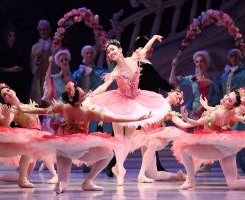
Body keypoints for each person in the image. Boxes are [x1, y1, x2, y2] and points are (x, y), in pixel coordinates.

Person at [17, 81, 152, 193]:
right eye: (83, 93)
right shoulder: (87, 112)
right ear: (77, 100)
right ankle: (87, 181)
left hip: (64, 147)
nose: (86, 93)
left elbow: (42, 111)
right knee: (109, 154)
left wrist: (22, 109)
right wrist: (136, 118)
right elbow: (115, 118)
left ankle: (63, 184)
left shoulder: (64, 108)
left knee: (63, 182)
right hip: (80, 149)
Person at [83, 35, 171, 185]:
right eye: (108, 52)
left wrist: (155, 37)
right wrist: (93, 93)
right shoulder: (115, 71)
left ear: (120, 49)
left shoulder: (134, 59)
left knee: (129, 139)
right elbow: (104, 86)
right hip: (119, 102)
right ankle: (120, 171)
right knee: (119, 137)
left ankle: (119, 167)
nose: (110, 52)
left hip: (136, 100)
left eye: (112, 49)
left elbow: (145, 48)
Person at [172, 90, 245, 191]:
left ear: (232, 105)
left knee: (185, 150)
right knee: (233, 182)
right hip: (227, 147)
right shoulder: (227, 110)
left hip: (219, 146)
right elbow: (216, 110)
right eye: (227, 95)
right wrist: (206, 105)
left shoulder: (218, 114)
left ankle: (190, 180)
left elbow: (197, 122)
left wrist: (186, 118)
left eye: (229, 100)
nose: (225, 98)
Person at [0, 83, 58, 184]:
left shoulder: (26, 105)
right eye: (5, 95)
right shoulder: (13, 109)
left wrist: (55, 109)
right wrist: (7, 117)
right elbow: (7, 123)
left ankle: (54, 175)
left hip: (38, 133)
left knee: (26, 174)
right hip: (30, 135)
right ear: (5, 101)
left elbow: (42, 111)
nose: (8, 94)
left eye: (8, 91)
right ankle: (54, 175)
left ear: (13, 91)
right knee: (44, 148)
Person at [130, 89, 190, 183]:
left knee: (154, 143)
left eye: (179, 99)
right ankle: (177, 176)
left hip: (156, 135)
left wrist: (195, 122)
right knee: (154, 175)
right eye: (177, 94)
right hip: (144, 135)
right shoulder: (155, 100)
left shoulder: (169, 113)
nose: (178, 97)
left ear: (176, 103)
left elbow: (183, 124)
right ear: (170, 92)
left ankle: (141, 175)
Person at [135, 36, 175, 172]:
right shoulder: (142, 64)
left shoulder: (143, 63)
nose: (151, 49)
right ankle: (113, 164)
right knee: (147, 135)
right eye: (148, 47)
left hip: (147, 103)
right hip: (144, 104)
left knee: (150, 135)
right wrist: (173, 90)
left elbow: (156, 81)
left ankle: (154, 165)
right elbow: (157, 81)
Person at [73, 45, 112, 173]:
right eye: (86, 53)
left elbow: (108, 81)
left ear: (94, 55)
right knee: (86, 134)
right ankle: (86, 163)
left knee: (103, 133)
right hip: (84, 106)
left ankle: (105, 162)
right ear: (83, 55)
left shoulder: (100, 71)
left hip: (99, 106)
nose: (89, 55)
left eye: (91, 53)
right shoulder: (77, 73)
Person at [220, 48, 245, 173]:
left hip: (238, 109)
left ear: (239, 58)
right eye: (231, 55)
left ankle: (241, 164)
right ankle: (234, 165)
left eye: (236, 55)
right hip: (226, 109)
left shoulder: (244, 72)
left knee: (235, 137)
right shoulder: (224, 74)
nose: (233, 58)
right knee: (225, 138)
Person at [0, 24, 27, 101]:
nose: (12, 38)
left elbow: (24, 65)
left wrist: (19, 68)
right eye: (10, 36)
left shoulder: (19, 49)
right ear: (6, 36)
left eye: (14, 36)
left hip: (17, 81)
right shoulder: (0, 50)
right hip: (4, 81)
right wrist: (10, 69)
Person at [30, 19, 58, 105]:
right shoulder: (35, 47)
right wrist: (37, 59)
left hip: (51, 77)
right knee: (38, 104)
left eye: (44, 29)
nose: (42, 32)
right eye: (40, 29)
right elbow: (32, 67)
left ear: (49, 29)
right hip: (39, 79)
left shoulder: (55, 45)